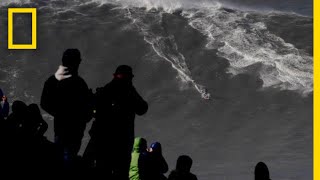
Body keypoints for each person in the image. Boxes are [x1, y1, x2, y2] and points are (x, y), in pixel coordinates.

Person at [90, 65, 148, 179]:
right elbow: (142, 108)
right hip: (117, 141)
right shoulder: (123, 91)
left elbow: (142, 108)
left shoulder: (108, 90)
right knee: (115, 171)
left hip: (109, 140)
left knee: (105, 170)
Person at [40, 49, 93, 169]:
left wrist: (60, 114)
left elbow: (44, 103)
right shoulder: (80, 83)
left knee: (60, 157)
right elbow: (87, 113)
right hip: (75, 129)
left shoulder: (53, 81)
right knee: (67, 158)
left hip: (62, 128)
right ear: (78, 62)